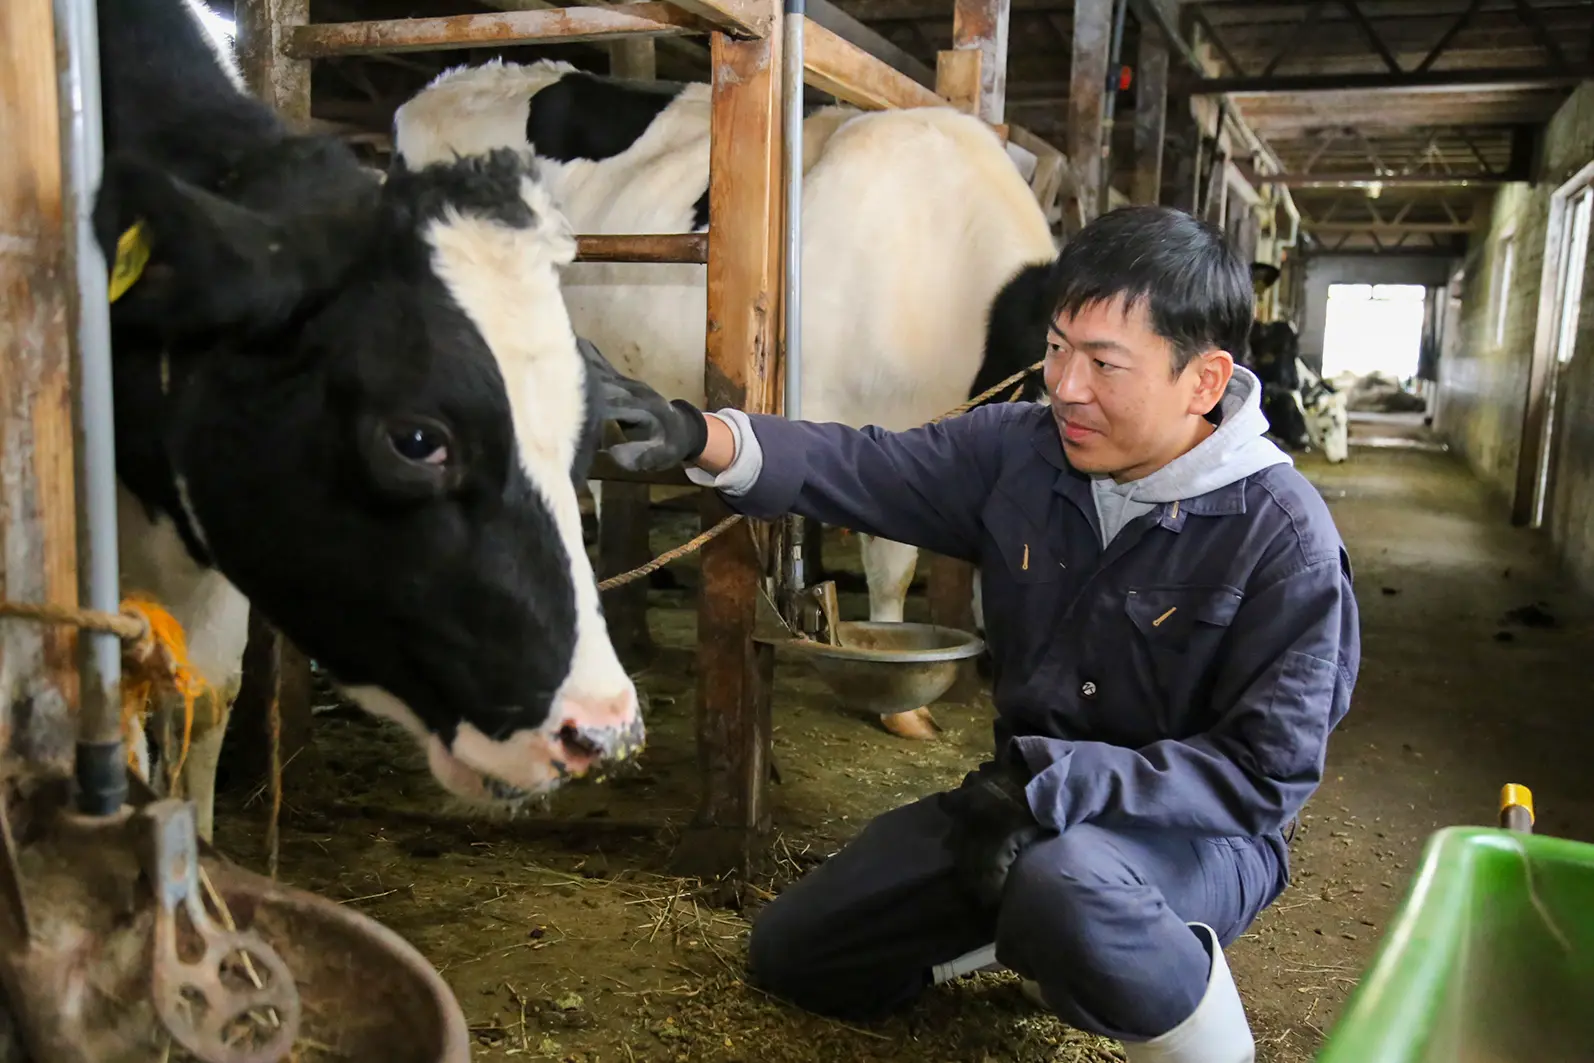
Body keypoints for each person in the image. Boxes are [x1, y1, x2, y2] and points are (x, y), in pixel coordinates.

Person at [585, 204, 1361, 1063]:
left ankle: (1208, 1046)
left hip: (1194, 838)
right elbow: (864, 463)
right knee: (797, 952)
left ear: (1205, 381)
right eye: (1059, 346)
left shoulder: (1281, 534)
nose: (1065, 385)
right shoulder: (1018, 452)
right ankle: (1017, 934)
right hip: (1014, 807)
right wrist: (700, 436)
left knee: (1068, 887)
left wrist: (1055, 788)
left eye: (1104, 363)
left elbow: (1266, 773)